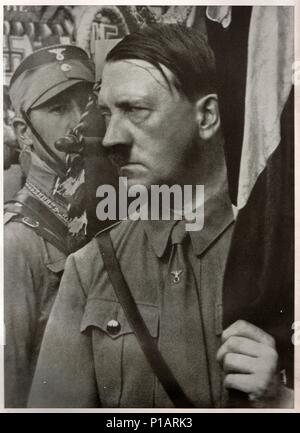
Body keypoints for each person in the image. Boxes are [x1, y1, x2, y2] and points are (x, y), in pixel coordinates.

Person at [28, 25, 292, 408]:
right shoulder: (92, 269)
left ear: (206, 117)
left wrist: (282, 400)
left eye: (135, 110)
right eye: (107, 114)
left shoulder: (278, 258)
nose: (110, 139)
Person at [4, 44, 95, 407]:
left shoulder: (108, 213)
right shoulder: (13, 244)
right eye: (58, 108)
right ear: (24, 132)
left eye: (86, 102)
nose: (80, 121)